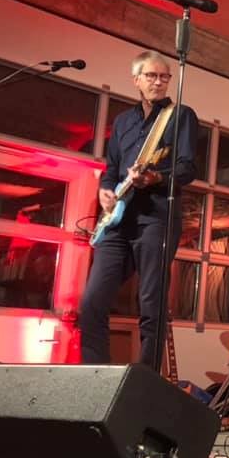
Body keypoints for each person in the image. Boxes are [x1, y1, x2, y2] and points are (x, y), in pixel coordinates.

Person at [79, 51, 198, 367]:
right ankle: (94, 375)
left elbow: (187, 168)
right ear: (136, 80)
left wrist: (156, 177)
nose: (158, 82)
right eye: (151, 76)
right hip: (118, 221)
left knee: (150, 304)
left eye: (164, 77)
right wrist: (105, 191)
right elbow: (112, 169)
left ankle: (146, 380)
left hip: (156, 218)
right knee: (92, 302)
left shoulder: (180, 116)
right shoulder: (122, 121)